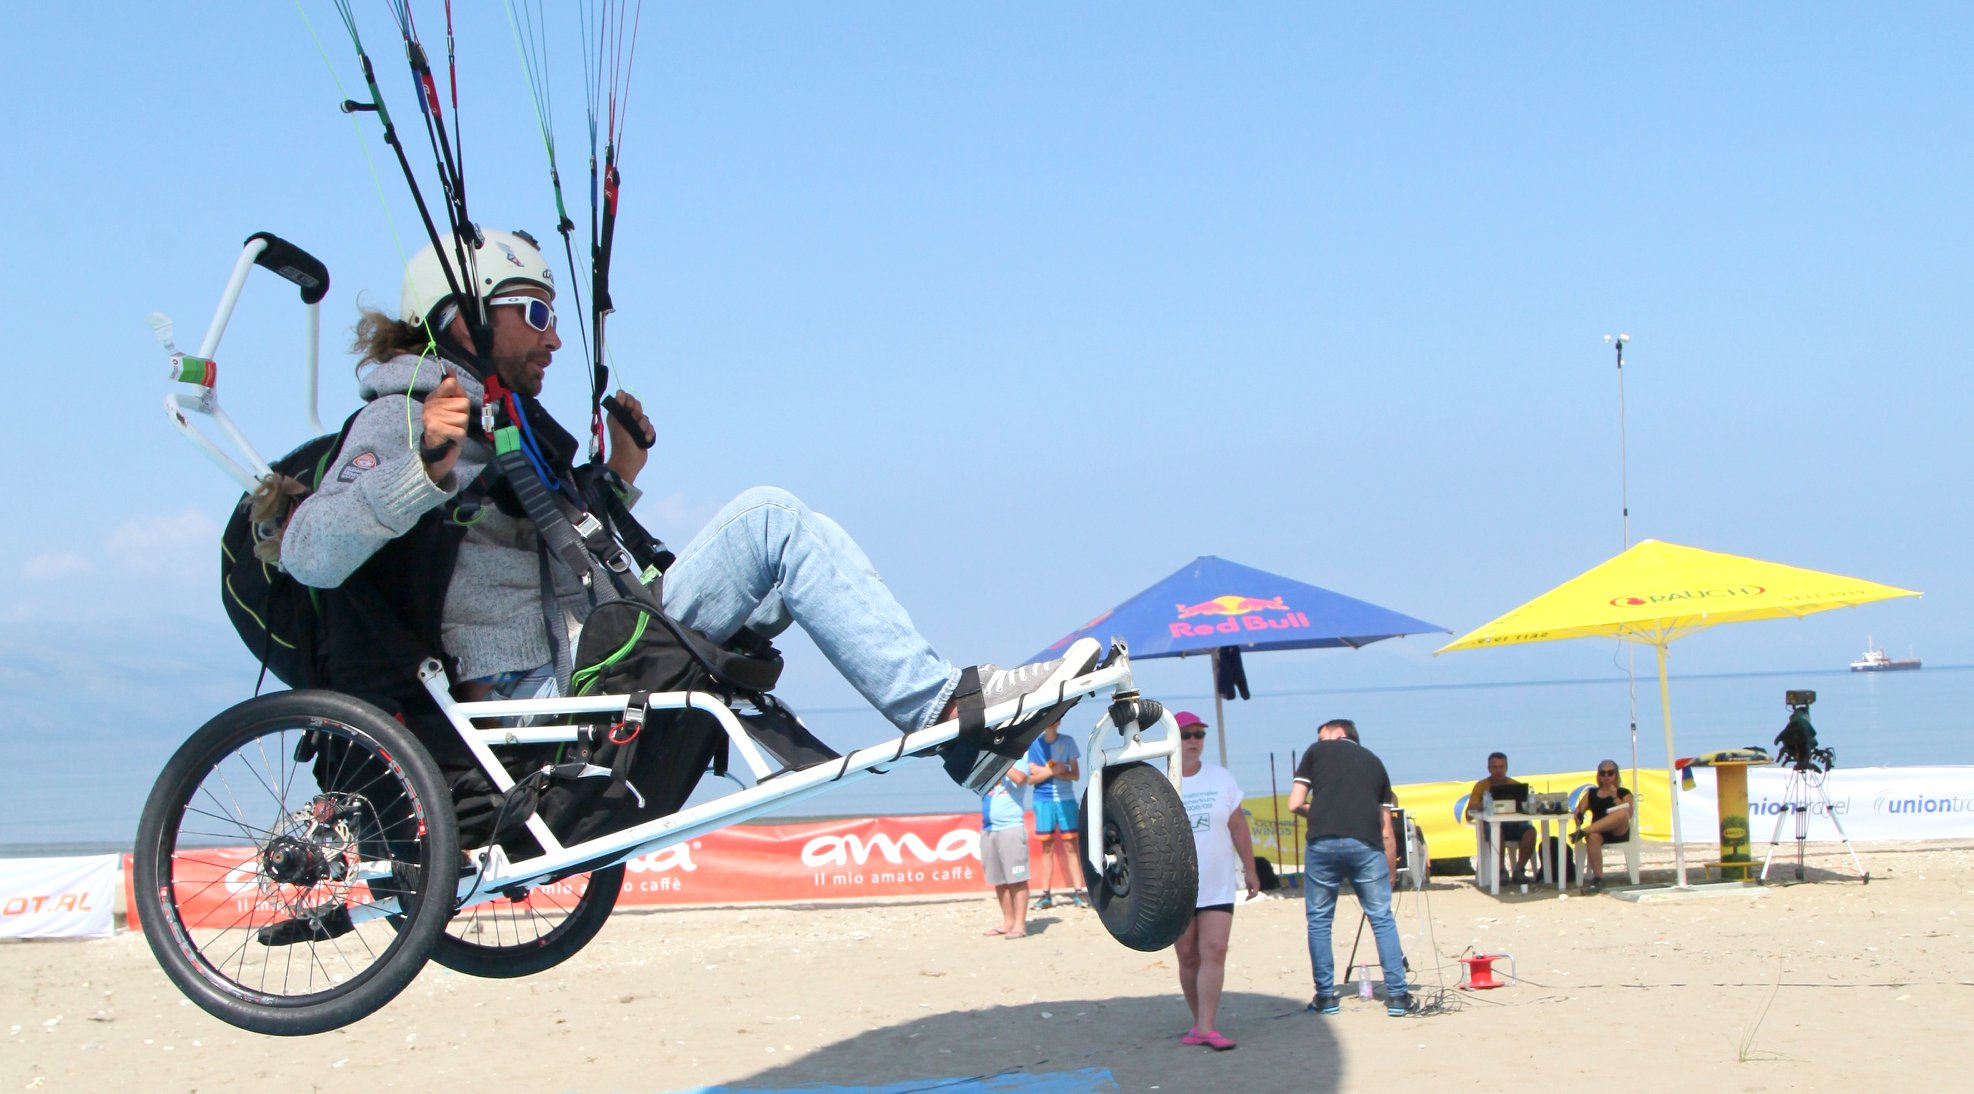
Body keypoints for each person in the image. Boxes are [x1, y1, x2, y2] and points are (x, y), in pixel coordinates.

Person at [279, 227, 1100, 790]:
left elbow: (545, 544)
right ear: (461, 317)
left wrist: (618, 475)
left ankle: (957, 730)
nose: (554, 337)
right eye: (535, 313)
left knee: (802, 544)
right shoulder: (401, 417)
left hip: (594, 642)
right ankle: (948, 711)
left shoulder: (502, 421)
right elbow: (309, 552)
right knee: (769, 520)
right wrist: (419, 466)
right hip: (547, 687)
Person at [1286, 718, 1418, 1018]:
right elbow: (1387, 829)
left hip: (1322, 841)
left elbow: (1294, 803)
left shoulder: (1316, 752)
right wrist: (1391, 870)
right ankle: (1398, 996)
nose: (1319, 741)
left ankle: (1325, 997)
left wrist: (1319, 811)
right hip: (1366, 844)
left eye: (1322, 736)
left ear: (1338, 733)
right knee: (1381, 917)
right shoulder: (1376, 763)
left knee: (1320, 921)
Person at [1170, 712, 1260, 1052]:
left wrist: (1250, 869)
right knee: (1188, 956)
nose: (1193, 740)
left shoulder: (1221, 778)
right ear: (1172, 740)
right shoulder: (1161, 782)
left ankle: (1207, 1026)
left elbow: (1237, 826)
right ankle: (1198, 1022)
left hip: (1218, 882)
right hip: (1177, 886)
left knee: (1215, 950)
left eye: (1199, 734)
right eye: (1186, 735)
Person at [1026, 717, 1087, 910]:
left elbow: (1075, 775)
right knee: (1047, 848)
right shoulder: (1034, 745)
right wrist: (1054, 769)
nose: (1051, 722)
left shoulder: (1067, 741)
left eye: (1054, 719)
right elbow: (1030, 779)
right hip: (1043, 801)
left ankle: (1079, 891)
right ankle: (1045, 894)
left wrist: (1043, 771)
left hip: (1066, 799)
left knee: (1071, 846)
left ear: (1059, 722)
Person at [980, 758, 1038, 938]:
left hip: (1011, 827)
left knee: (1017, 878)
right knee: (999, 880)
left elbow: (1020, 778)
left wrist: (1000, 761)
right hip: (989, 828)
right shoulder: (987, 760)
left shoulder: (1018, 758)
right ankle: (1008, 921)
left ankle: (1020, 925)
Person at [1466, 751, 1536, 884]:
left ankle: (1519, 870)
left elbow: (1526, 809)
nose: (1498, 771)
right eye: (1494, 767)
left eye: (1501, 767)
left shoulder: (1515, 785)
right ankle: (1501, 871)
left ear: (1506, 768)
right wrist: (1485, 803)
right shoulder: (1481, 786)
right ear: (1489, 768)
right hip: (1492, 826)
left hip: (1514, 825)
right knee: (1497, 830)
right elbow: (1468, 814)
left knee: (1530, 832)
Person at [1570, 760, 1633, 892]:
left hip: (1618, 830)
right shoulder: (1591, 793)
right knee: (1593, 837)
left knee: (1622, 813)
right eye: (1603, 773)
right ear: (1598, 775)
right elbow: (1578, 811)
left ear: (1616, 774)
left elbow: (1629, 813)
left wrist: (1615, 797)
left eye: (1610, 773)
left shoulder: (1623, 792)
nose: (1606, 777)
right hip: (1598, 831)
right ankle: (1598, 878)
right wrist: (1578, 816)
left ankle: (1584, 832)